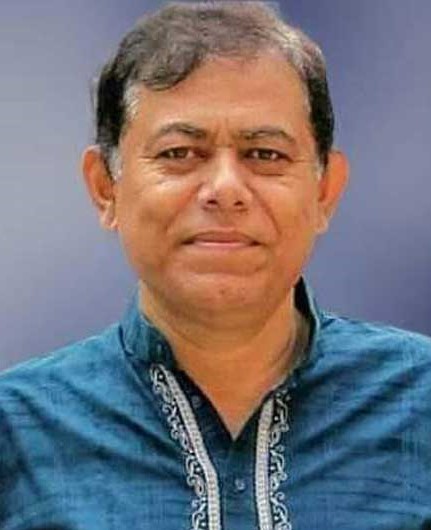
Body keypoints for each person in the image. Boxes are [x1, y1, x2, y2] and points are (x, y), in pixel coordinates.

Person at [0, 2, 430, 529]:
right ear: (105, 187)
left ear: (325, 191)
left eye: (265, 154)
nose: (226, 189)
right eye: (180, 153)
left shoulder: (419, 402)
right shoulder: (17, 429)